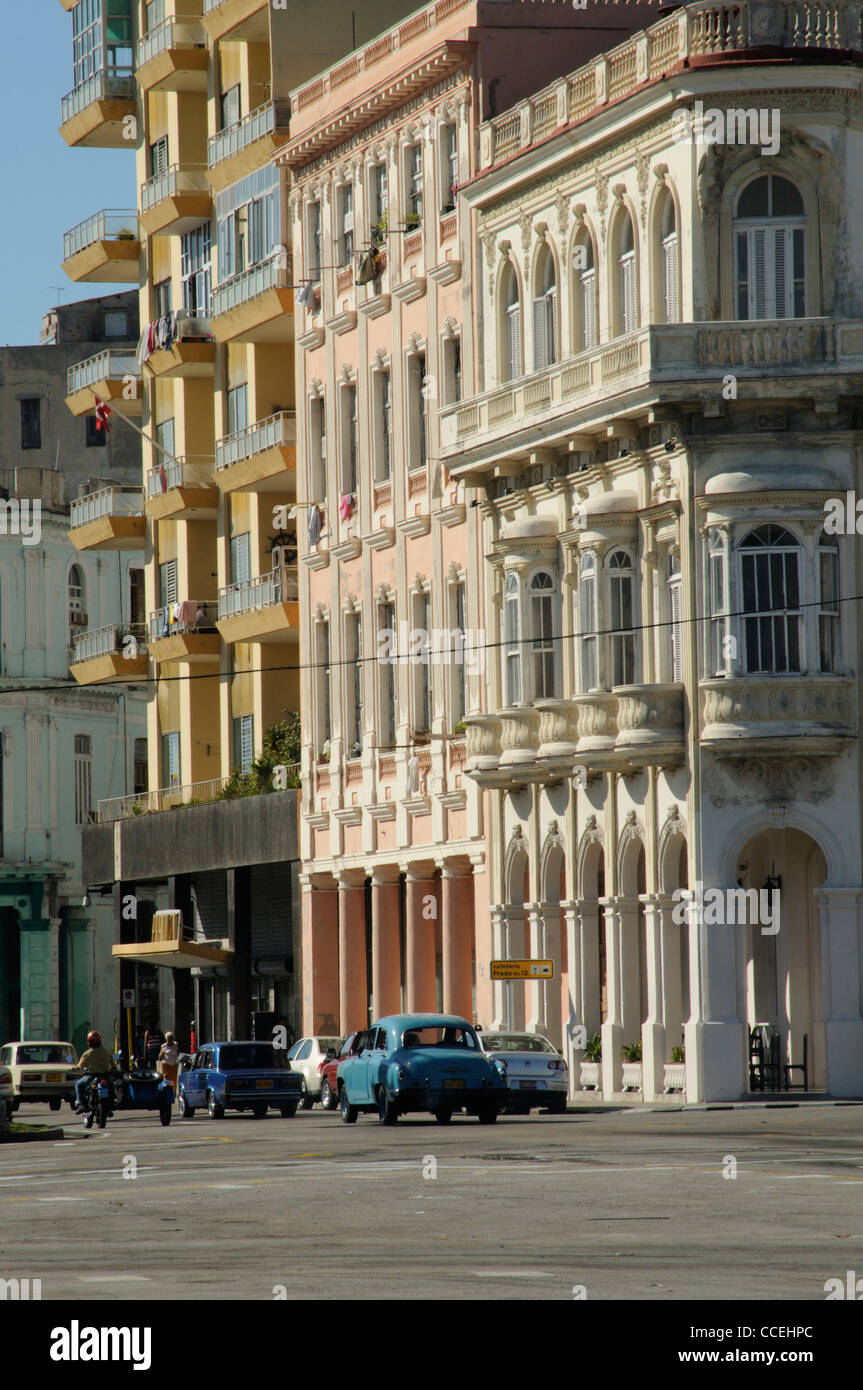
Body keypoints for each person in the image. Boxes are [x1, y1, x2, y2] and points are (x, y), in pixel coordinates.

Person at [74, 1031, 116, 1112]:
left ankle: (81, 1104)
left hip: (91, 1076)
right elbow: (113, 1065)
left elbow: (80, 1065)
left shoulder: (87, 1054)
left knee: (78, 1084)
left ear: (89, 1042)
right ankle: (112, 1103)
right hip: (105, 1076)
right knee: (112, 1085)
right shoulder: (107, 1052)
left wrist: (76, 1067)